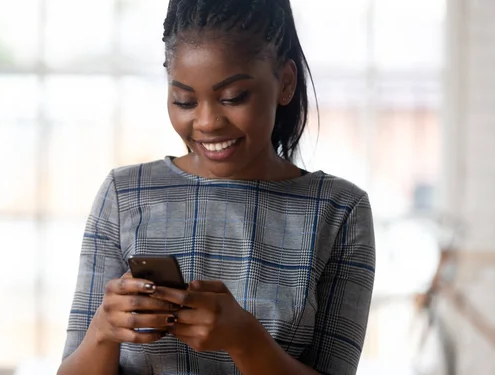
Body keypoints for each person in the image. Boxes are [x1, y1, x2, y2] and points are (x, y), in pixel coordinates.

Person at [58, 0, 375, 374]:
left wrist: (246, 340)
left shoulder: (339, 210)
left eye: (233, 98)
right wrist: (103, 332)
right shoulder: (124, 194)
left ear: (285, 82)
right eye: (185, 101)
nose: (207, 122)